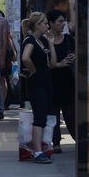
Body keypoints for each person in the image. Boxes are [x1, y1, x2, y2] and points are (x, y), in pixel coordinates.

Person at [20, 11, 57, 163]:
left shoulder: (41, 40)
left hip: (45, 82)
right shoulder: (30, 40)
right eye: (45, 23)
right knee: (39, 117)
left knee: (44, 116)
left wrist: (51, 44)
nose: (47, 26)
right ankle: (37, 152)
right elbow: (25, 58)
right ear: (37, 25)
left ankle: (40, 148)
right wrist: (33, 70)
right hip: (37, 84)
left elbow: (53, 64)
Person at [45, 9, 76, 152]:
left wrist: (74, 57)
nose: (63, 24)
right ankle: (55, 142)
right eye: (60, 21)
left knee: (70, 116)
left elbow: (77, 55)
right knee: (53, 115)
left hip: (67, 81)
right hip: (51, 81)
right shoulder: (45, 41)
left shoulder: (70, 40)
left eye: (64, 21)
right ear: (51, 23)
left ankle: (78, 140)